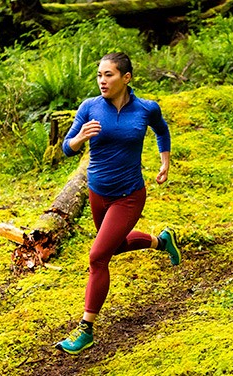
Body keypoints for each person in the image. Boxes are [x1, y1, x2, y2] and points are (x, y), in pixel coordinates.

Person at [55, 52, 184, 355]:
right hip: (97, 194)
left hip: (129, 194)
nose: (102, 80)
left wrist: (165, 162)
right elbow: (66, 148)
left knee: (98, 257)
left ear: (126, 78)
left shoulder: (145, 108)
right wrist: (78, 140)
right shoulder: (89, 107)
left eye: (109, 75)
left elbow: (161, 129)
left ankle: (86, 329)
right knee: (113, 246)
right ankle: (161, 241)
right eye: (99, 75)